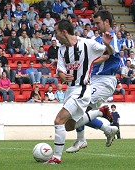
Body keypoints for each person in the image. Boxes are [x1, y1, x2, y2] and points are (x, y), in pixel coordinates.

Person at [44, 19, 115, 164]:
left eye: (56, 32)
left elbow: (109, 53)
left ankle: (56, 158)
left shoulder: (86, 43)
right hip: (70, 90)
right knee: (68, 126)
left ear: (64, 32)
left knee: (58, 120)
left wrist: (107, 43)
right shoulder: (62, 50)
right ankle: (100, 112)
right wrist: (64, 76)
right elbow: (61, 71)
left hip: (82, 89)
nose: (55, 36)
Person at [66, 10, 120, 154]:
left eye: (98, 23)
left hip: (105, 80)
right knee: (79, 112)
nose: (95, 26)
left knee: (79, 108)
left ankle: (82, 138)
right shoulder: (97, 39)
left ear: (106, 22)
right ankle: (107, 130)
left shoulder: (111, 37)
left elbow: (108, 55)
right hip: (93, 79)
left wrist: (86, 61)